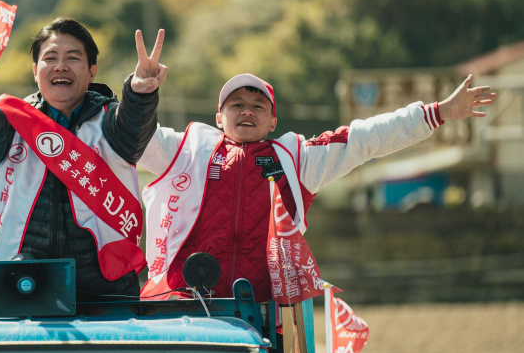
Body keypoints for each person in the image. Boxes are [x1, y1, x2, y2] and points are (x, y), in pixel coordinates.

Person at [139, 72, 496, 301]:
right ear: (219, 117)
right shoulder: (185, 150)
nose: (247, 111)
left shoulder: (298, 159)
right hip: (183, 304)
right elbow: (130, 137)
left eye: (258, 106)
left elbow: (363, 139)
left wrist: (437, 112)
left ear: (273, 120)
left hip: (263, 313)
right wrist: (139, 92)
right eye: (237, 105)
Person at [0, 17, 168, 299]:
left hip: (106, 287)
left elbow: (135, 128)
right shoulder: (12, 121)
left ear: (92, 71)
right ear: (35, 70)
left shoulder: (111, 122)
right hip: (22, 281)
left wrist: (141, 92)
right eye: (50, 58)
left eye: (73, 57)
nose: (60, 66)